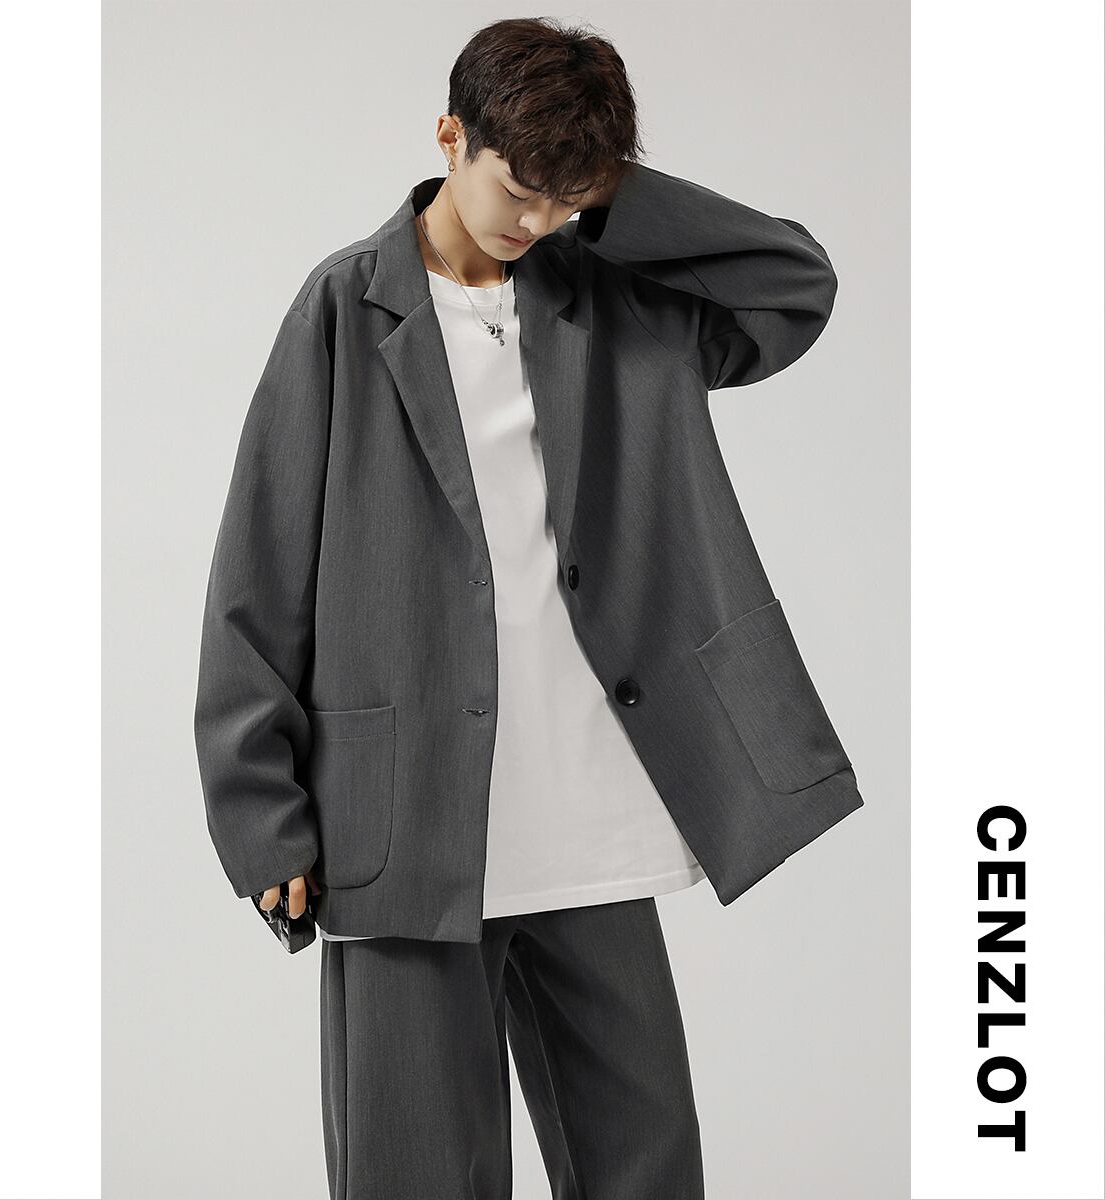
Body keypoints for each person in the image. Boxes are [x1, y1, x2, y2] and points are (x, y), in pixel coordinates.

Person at [194, 16, 862, 1200]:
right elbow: (260, 568)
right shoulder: (344, 308)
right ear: (450, 136)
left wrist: (609, 198)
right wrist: (260, 811)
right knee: (414, 1175)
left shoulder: (620, 304)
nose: (538, 220)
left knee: (647, 1167)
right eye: (520, 187)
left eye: (568, 198)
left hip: (594, 818)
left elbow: (794, 286)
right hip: (405, 829)